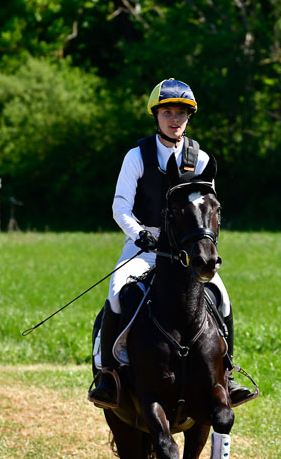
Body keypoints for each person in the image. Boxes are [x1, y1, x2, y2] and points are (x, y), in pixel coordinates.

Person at [88, 78, 251, 408]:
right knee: (117, 290)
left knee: (222, 298)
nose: (174, 119)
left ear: (188, 118)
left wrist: (202, 245)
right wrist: (139, 234)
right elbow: (120, 206)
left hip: (186, 250)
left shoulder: (201, 159)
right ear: (156, 116)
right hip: (142, 244)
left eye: (181, 113)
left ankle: (228, 374)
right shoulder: (136, 156)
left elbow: (209, 209)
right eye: (167, 113)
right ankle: (108, 376)